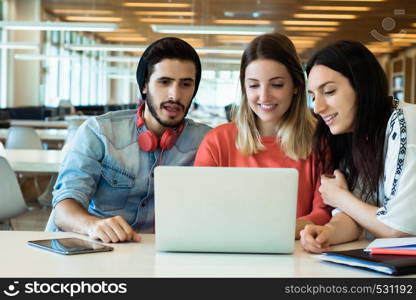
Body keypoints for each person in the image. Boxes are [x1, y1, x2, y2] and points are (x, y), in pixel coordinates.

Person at [50, 37, 211, 243]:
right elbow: (64, 208)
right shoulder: (100, 132)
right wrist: (92, 225)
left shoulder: (205, 141)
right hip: (102, 248)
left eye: (186, 84)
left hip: (166, 254)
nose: (175, 94)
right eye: (164, 82)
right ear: (144, 85)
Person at [194, 32, 332, 239]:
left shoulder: (320, 141)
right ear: (244, 87)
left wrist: (273, 232)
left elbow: (324, 212)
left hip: (297, 255)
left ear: (296, 86)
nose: (264, 96)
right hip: (231, 250)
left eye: (277, 85)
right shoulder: (216, 142)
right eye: (254, 85)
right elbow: (200, 211)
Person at [300, 40, 416, 253]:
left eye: (329, 91)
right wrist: (327, 233)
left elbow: (399, 230)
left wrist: (340, 198)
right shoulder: (356, 135)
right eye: (314, 96)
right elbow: (357, 216)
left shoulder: (407, 122)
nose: (317, 107)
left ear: (361, 85)